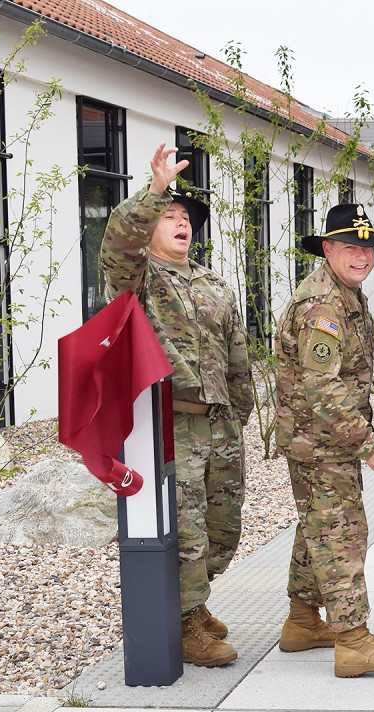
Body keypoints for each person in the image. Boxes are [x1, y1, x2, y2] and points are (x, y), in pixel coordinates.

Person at [99, 143, 253, 668]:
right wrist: (154, 192)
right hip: (172, 426)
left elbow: (238, 355)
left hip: (220, 425)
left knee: (222, 527)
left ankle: (194, 600)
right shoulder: (140, 280)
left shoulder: (212, 282)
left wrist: (240, 414)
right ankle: (183, 621)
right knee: (184, 529)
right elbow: (119, 247)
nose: (181, 223)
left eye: (186, 217)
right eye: (169, 216)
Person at [275, 203, 374, 678]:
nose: (362, 256)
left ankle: (302, 621)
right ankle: (353, 640)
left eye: (368, 247)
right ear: (328, 248)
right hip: (321, 442)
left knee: (318, 526)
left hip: (321, 439)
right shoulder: (324, 304)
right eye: (350, 247)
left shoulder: (345, 292)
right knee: (342, 533)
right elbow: (322, 385)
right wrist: (369, 442)